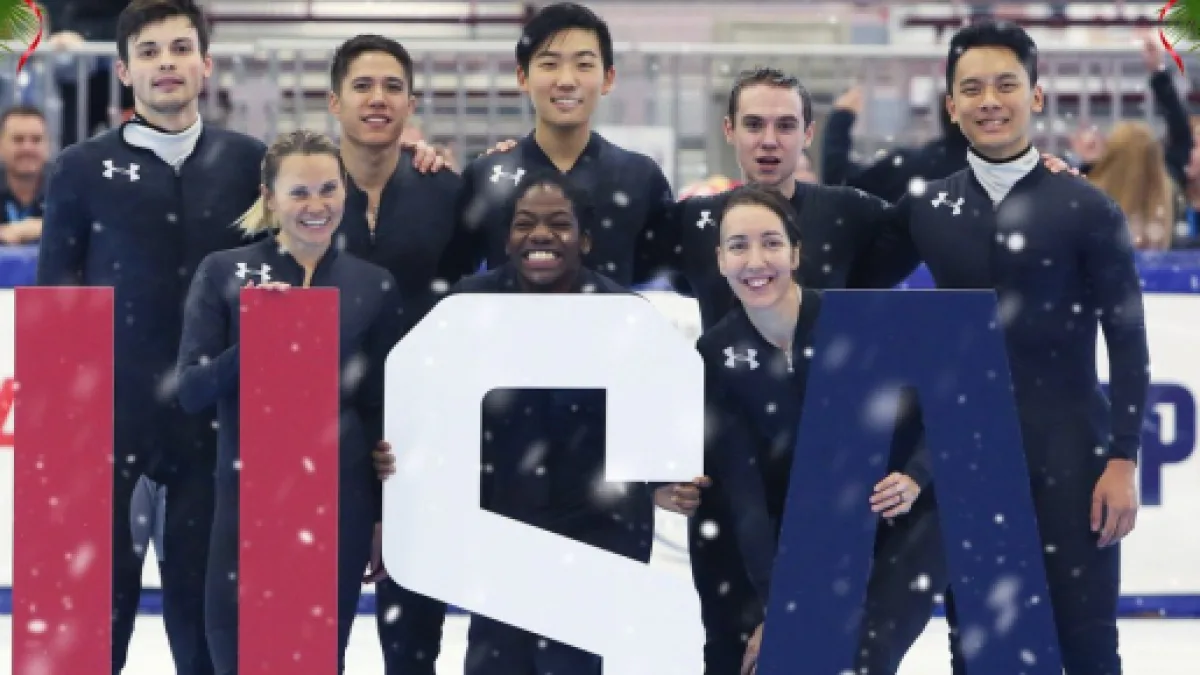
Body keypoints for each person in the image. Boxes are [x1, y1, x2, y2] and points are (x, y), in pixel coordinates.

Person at [861, 20, 1150, 674]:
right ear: (951, 106)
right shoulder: (928, 208)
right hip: (969, 455)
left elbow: (1128, 339)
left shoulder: (1086, 207)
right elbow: (842, 269)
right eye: (972, 89)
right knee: (979, 646)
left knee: (1086, 642)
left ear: (1035, 96)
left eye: (1005, 85)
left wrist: (1122, 459)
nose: (989, 101)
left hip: (1072, 453)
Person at [375, 168, 707, 675]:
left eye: (559, 223)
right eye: (525, 223)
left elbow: (654, 422)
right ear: (507, 238)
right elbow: (425, 406)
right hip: (496, 530)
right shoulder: (469, 304)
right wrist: (398, 458)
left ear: (586, 239)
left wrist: (664, 480)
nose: (541, 235)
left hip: (591, 534)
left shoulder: (624, 314)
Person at [35, 2, 266, 672]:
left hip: (211, 432)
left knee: (204, 635)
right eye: (150, 51)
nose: (167, 62)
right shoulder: (79, 168)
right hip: (108, 432)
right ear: (124, 70)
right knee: (88, 636)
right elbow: (54, 305)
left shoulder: (250, 164)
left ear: (206, 63)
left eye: (180, 48)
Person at [175, 129, 404, 675]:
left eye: (328, 189)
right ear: (270, 197)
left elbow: (379, 410)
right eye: (299, 192)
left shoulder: (372, 285)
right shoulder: (223, 272)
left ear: (345, 191)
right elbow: (191, 391)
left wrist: (380, 518)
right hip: (245, 504)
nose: (316, 205)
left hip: (338, 505)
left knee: (319, 662)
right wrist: (257, 339)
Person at [694, 185, 935, 675]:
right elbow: (745, 494)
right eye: (738, 246)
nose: (755, 261)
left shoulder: (860, 325)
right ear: (720, 260)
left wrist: (915, 476)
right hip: (815, 529)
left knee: (859, 658)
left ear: (796, 253)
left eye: (771, 243)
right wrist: (778, 608)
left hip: (905, 519)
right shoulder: (716, 353)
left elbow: (949, 410)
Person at [322, 33, 463, 673]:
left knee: (414, 651)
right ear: (334, 101)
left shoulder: (447, 191)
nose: (378, 99)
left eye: (392, 87)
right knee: (311, 644)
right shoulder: (302, 192)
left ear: (411, 103)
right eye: (362, 86)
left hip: (422, 441)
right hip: (323, 437)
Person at [436, 2, 676, 291]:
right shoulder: (485, 175)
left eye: (584, 65)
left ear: (608, 78)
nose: (566, 81)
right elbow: (452, 277)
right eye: (549, 64)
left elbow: (667, 276)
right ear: (523, 78)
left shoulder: (640, 177)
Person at [0, 105, 49, 244]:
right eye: (18, 139)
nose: (27, 148)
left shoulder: (69, 187)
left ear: (48, 146)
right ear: (1, 146)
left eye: (36, 140)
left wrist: (38, 227)